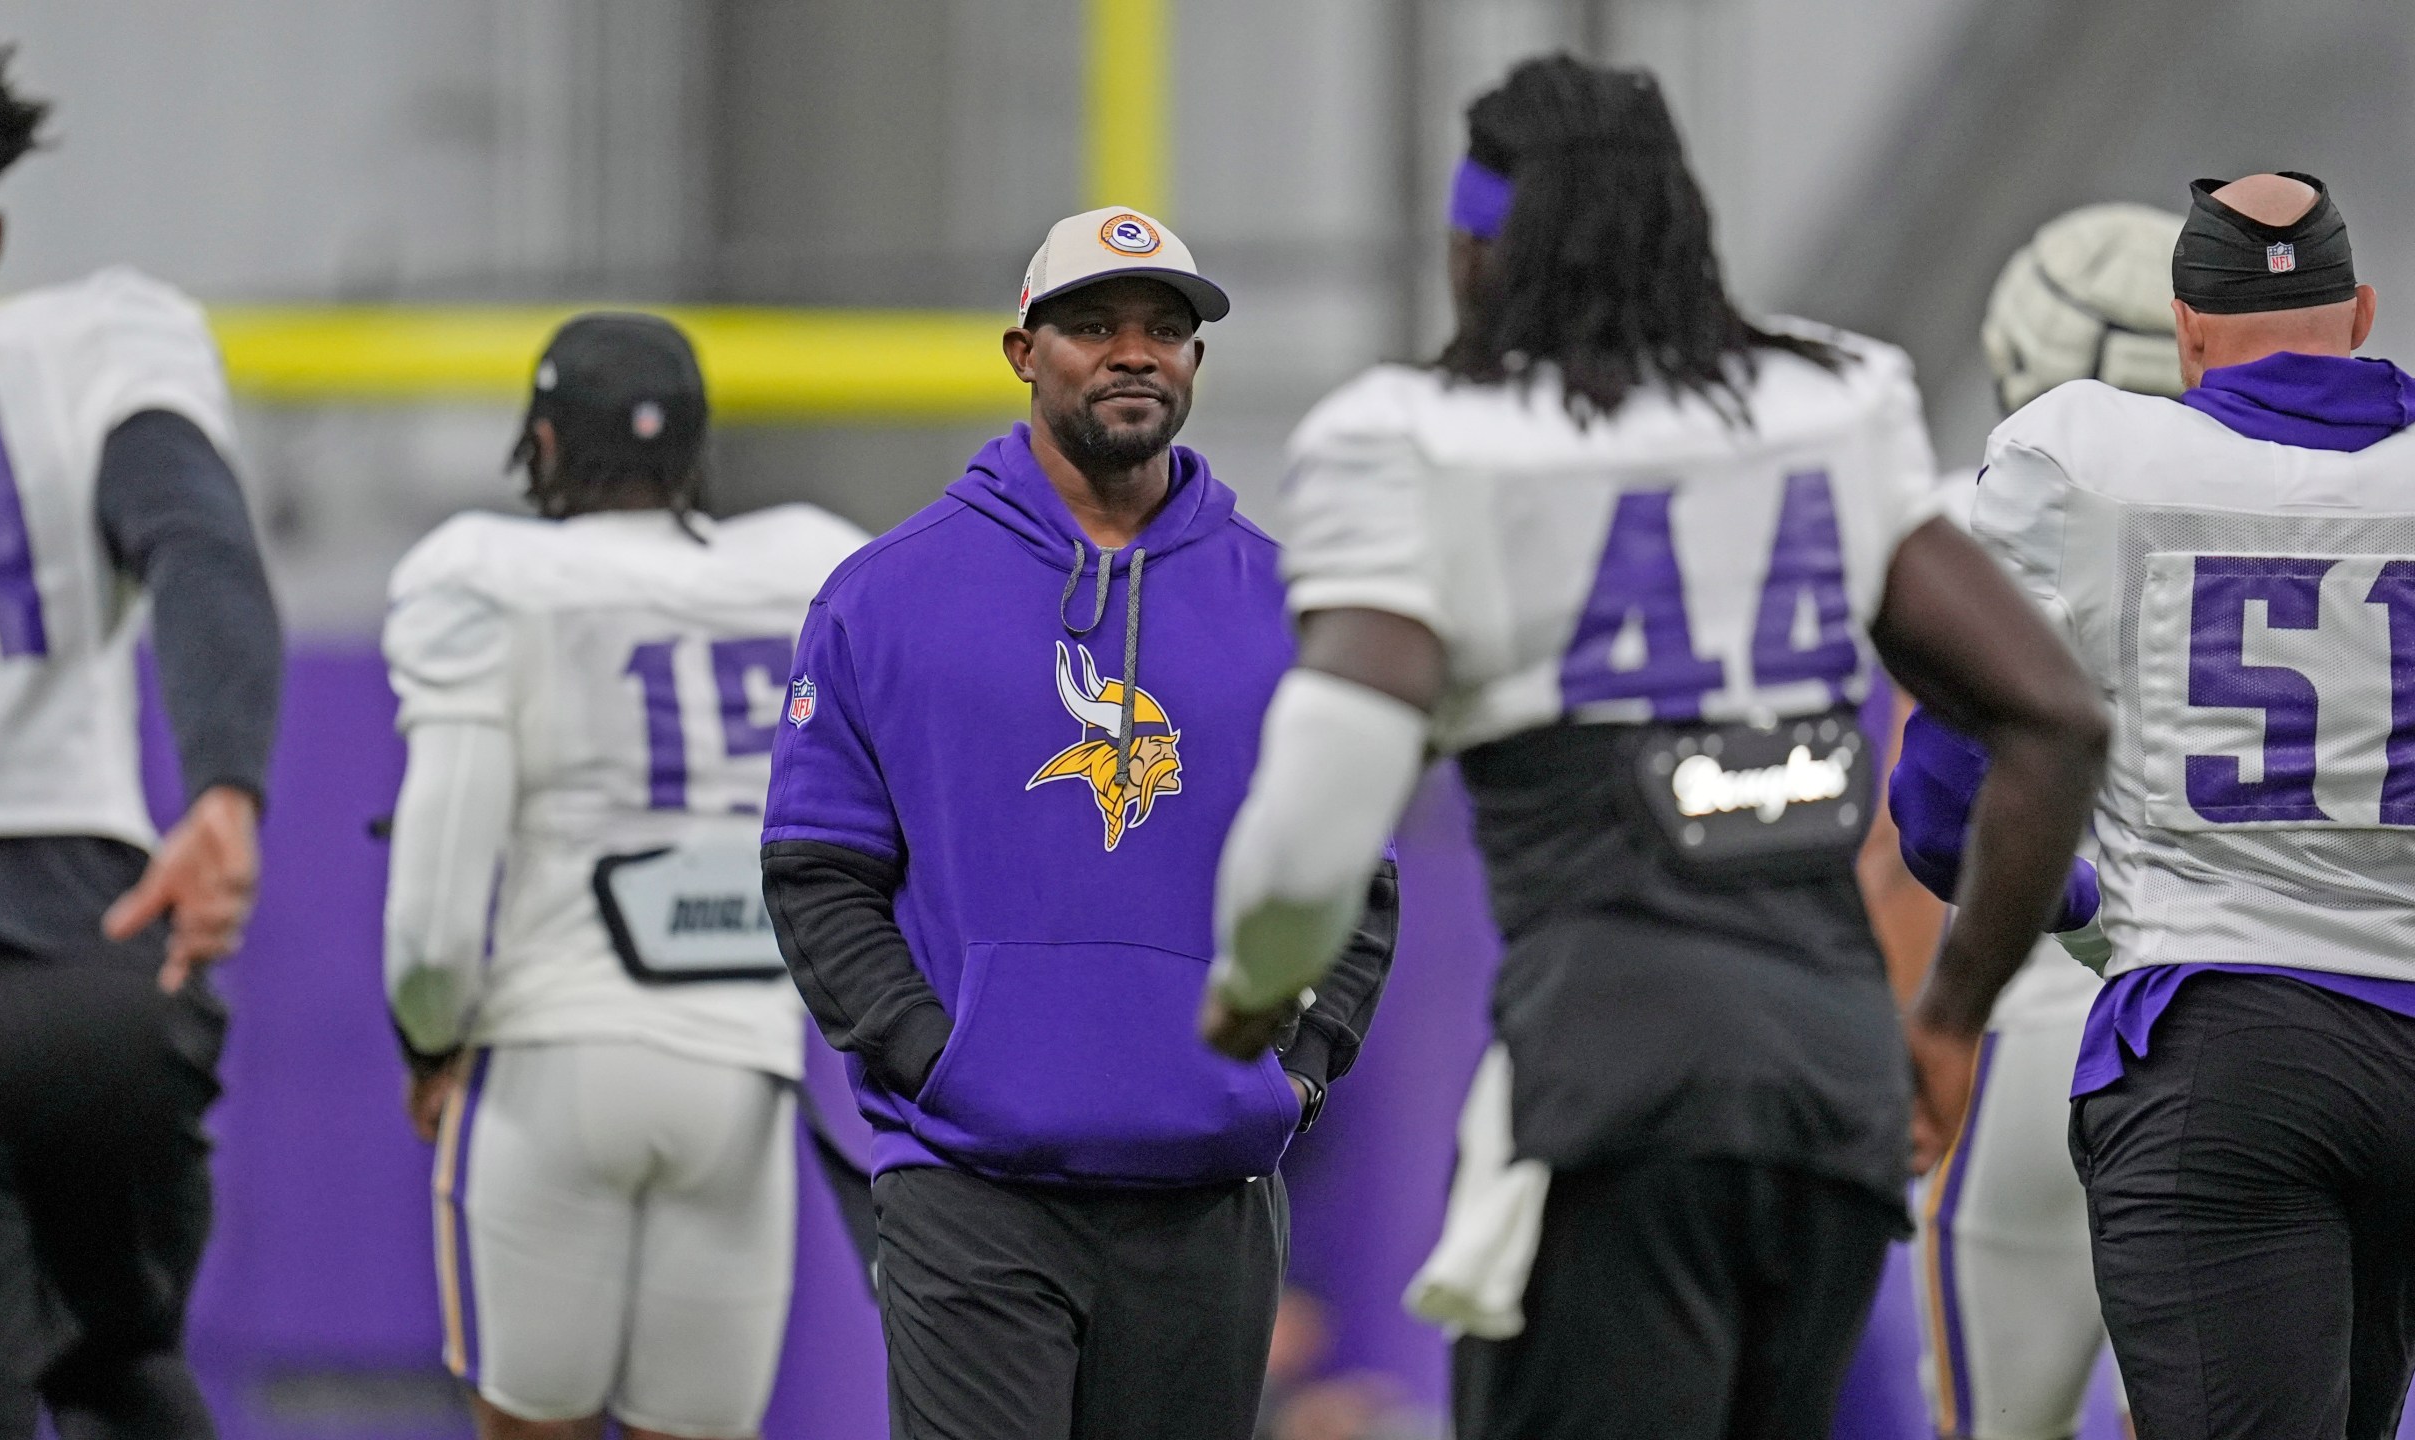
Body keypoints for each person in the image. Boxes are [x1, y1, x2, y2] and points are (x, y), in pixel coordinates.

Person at [1202, 53, 2107, 1440]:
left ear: (1483, 250)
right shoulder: (1830, 403)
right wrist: (1948, 1017)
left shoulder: (1418, 442)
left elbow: (1327, 791)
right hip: (1828, 1089)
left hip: (1611, 1086)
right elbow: (2052, 715)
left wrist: (1256, 981)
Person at [761, 206, 1398, 1440]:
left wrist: (1297, 1082)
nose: (1133, 353)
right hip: (973, 1184)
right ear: (1022, 353)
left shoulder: (1288, 605)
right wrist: (934, 1058)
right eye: (1094, 325)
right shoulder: (886, 595)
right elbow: (816, 871)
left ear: (1196, 366)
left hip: (1206, 1189)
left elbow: (1352, 875)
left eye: (1165, 330)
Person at [1931, 170, 2415, 1440]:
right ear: (2360, 313)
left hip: (2218, 1049)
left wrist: (2096, 918)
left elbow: (1942, 807)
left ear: (2185, 333)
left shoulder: (2083, 465)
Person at [0, 30, 281, 1440]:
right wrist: (225, 787)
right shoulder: (97, 332)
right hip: (102, 956)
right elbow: (197, 541)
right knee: (116, 1354)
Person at [382, 313, 865, 1440]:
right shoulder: (805, 565)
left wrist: (428, 1034)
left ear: (541, 444)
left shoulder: (493, 578)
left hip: (558, 1054)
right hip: (742, 1071)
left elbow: (438, 900)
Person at [1893, 201, 2184, 1440]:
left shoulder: (1963, 528)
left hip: (2032, 1031)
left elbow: (1919, 820)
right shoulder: (2315, 510)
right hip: (2243, 1018)